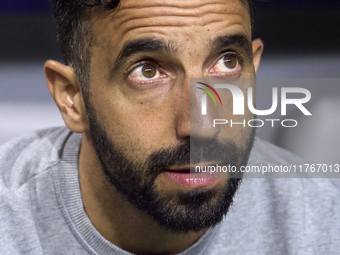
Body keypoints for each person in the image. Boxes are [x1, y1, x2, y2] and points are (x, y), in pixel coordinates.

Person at [0, 0, 338, 254]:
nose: (203, 126)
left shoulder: (324, 220)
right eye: (147, 71)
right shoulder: (11, 225)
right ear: (72, 98)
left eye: (227, 62)